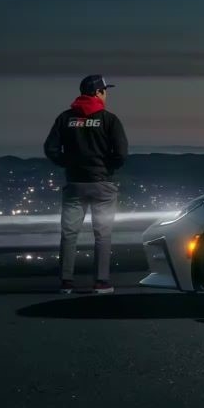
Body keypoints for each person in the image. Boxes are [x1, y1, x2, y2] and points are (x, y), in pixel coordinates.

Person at [43, 75, 128, 294]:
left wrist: (68, 164)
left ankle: (66, 282)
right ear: (98, 93)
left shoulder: (65, 118)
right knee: (103, 234)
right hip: (103, 186)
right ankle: (101, 282)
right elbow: (121, 153)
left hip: (75, 184)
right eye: (105, 90)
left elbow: (50, 149)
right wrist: (107, 168)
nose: (106, 94)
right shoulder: (109, 120)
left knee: (69, 233)